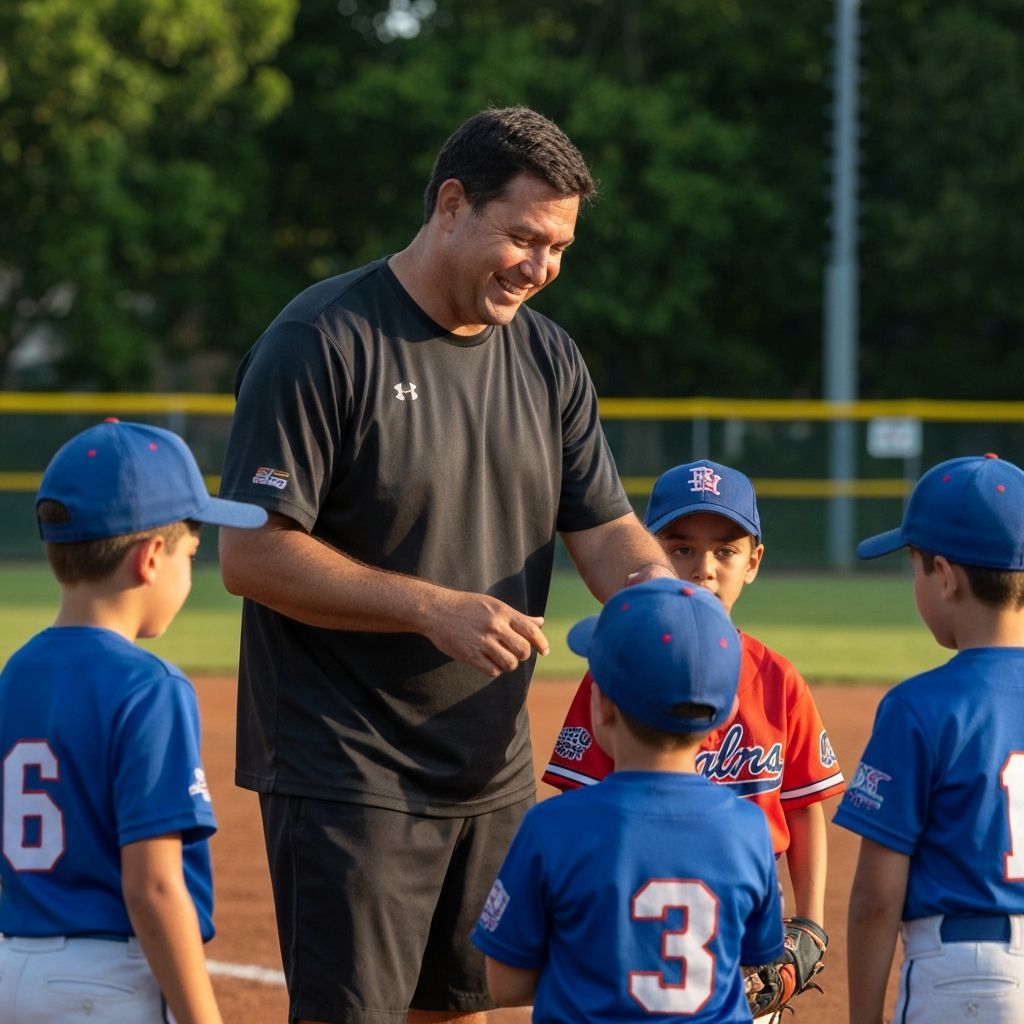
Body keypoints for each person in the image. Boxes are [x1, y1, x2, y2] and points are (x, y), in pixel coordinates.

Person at [216, 105, 675, 1024]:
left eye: (559, 249)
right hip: (348, 769)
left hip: (489, 763)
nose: (541, 269)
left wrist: (671, 613)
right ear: (452, 204)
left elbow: (607, 527)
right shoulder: (322, 340)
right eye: (524, 238)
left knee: (462, 1010)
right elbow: (252, 552)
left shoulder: (547, 358)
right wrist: (431, 608)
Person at [0, 419, 267, 1024]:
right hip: (103, 987)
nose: (190, 574)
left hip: (13, 965)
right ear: (150, 559)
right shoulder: (150, 686)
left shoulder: (16, 671)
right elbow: (152, 887)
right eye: (191, 555)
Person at [543, 460, 845, 932]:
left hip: (749, 913)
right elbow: (574, 804)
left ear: (753, 562)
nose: (703, 569)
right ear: (645, 551)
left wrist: (809, 922)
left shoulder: (779, 681)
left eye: (725, 551)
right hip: (631, 905)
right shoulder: (615, 667)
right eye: (681, 548)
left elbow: (803, 807)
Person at [471, 577, 784, 1022]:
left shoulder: (552, 827)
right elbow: (752, 956)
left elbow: (505, 983)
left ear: (604, 706)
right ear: (727, 711)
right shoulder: (749, 829)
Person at [834, 453, 1024, 1024]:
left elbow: (876, 896)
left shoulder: (919, 707)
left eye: (914, 566)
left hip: (967, 977)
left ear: (944, 575)